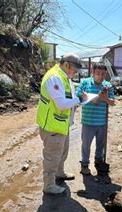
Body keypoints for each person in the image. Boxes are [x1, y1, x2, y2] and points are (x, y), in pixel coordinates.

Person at [36, 53, 88, 195]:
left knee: (62, 153)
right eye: (74, 70)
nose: (75, 73)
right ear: (66, 65)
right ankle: (49, 185)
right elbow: (61, 104)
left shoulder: (65, 77)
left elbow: (68, 95)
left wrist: (77, 96)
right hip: (52, 126)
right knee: (52, 157)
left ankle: (59, 173)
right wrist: (79, 99)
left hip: (61, 125)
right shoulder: (55, 78)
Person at [76, 63, 115, 176]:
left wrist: (105, 98)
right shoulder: (85, 82)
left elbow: (112, 102)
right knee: (86, 145)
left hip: (102, 122)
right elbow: (78, 95)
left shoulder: (107, 85)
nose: (100, 76)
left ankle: (98, 162)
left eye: (103, 74)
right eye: (98, 73)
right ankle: (84, 165)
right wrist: (88, 97)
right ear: (92, 72)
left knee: (100, 144)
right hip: (88, 121)